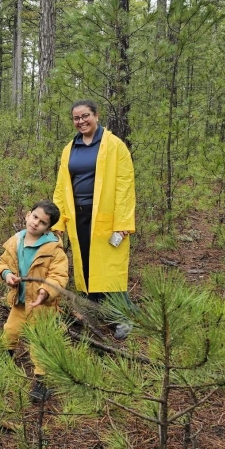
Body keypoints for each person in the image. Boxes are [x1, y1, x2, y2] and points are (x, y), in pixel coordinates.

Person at [52, 100, 136, 340]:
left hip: (107, 218)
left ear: (96, 116)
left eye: (85, 116)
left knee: (110, 269)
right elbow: (61, 187)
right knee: (87, 266)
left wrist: (122, 223)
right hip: (78, 216)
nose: (81, 121)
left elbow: (125, 185)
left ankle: (122, 316)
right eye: (76, 118)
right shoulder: (70, 148)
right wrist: (58, 222)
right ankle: (94, 311)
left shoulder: (114, 145)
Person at [0, 200, 68, 402]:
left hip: (41, 307)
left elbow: (59, 276)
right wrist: (6, 274)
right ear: (28, 215)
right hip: (20, 303)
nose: (36, 223)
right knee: (10, 332)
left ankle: (42, 381)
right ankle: (2, 363)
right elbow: (2, 263)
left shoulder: (54, 249)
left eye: (43, 222)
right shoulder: (15, 241)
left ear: (48, 228)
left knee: (40, 342)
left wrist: (45, 291)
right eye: (35, 217)